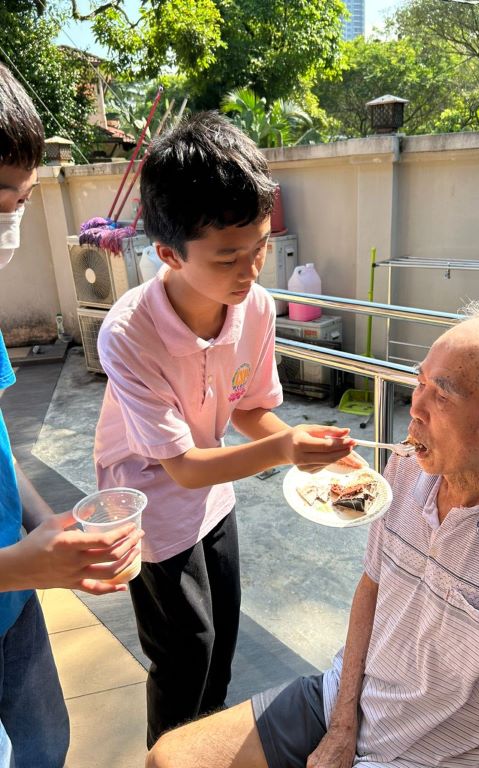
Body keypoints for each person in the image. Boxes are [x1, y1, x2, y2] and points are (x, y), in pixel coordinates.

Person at [146, 297, 479, 768]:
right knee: (168, 758)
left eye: (443, 395)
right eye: (420, 382)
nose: (416, 408)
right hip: (342, 701)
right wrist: (342, 724)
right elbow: (371, 587)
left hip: (436, 757)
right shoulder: (405, 471)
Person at [93, 112, 357, 749]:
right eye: (228, 256)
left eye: (260, 245)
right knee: (186, 653)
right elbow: (181, 466)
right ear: (169, 253)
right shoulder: (128, 335)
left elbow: (248, 408)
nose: (252, 269)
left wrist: (310, 453)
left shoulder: (254, 307)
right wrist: (285, 449)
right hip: (150, 505)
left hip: (214, 492)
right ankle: (169, 756)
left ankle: (204, 750)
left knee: (223, 645)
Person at [0, 63, 144, 767]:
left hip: (15, 609)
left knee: (45, 744)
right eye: (0, 200)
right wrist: (14, 567)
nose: (10, 226)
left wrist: (44, 524)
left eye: (20, 203)